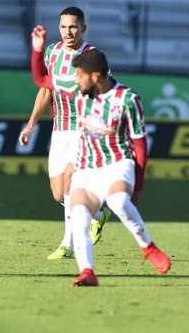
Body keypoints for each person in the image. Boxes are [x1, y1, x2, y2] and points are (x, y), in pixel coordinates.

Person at [31, 27, 171, 286]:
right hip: (87, 167)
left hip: (118, 162)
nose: (74, 79)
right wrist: (38, 49)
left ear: (95, 76)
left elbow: (140, 145)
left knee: (118, 201)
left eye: (79, 74)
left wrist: (138, 187)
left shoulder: (127, 99)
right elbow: (42, 80)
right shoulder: (77, 88)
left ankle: (149, 248)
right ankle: (87, 272)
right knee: (80, 214)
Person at [18, 7, 111, 260]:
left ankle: (68, 244)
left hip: (83, 131)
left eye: (73, 26)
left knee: (70, 186)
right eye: (63, 27)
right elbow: (46, 90)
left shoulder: (93, 56)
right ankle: (98, 213)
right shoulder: (52, 52)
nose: (68, 32)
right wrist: (30, 124)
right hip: (59, 130)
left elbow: (106, 93)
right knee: (59, 193)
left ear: (83, 28)